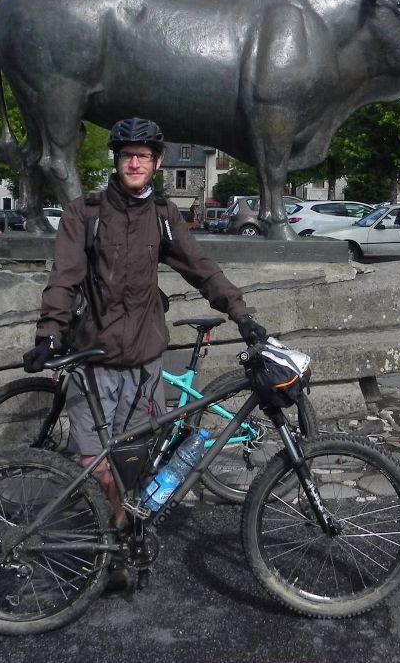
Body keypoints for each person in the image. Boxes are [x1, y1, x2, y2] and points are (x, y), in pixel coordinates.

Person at [21, 117, 266, 538]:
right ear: (117, 161)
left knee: (134, 457)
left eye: (143, 157)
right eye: (127, 156)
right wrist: (49, 334)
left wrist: (240, 313)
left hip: (144, 359)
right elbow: (64, 277)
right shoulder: (86, 213)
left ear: (156, 163)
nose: (135, 163)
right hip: (95, 356)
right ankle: (121, 519)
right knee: (90, 460)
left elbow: (202, 270)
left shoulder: (165, 216)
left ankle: (123, 537)